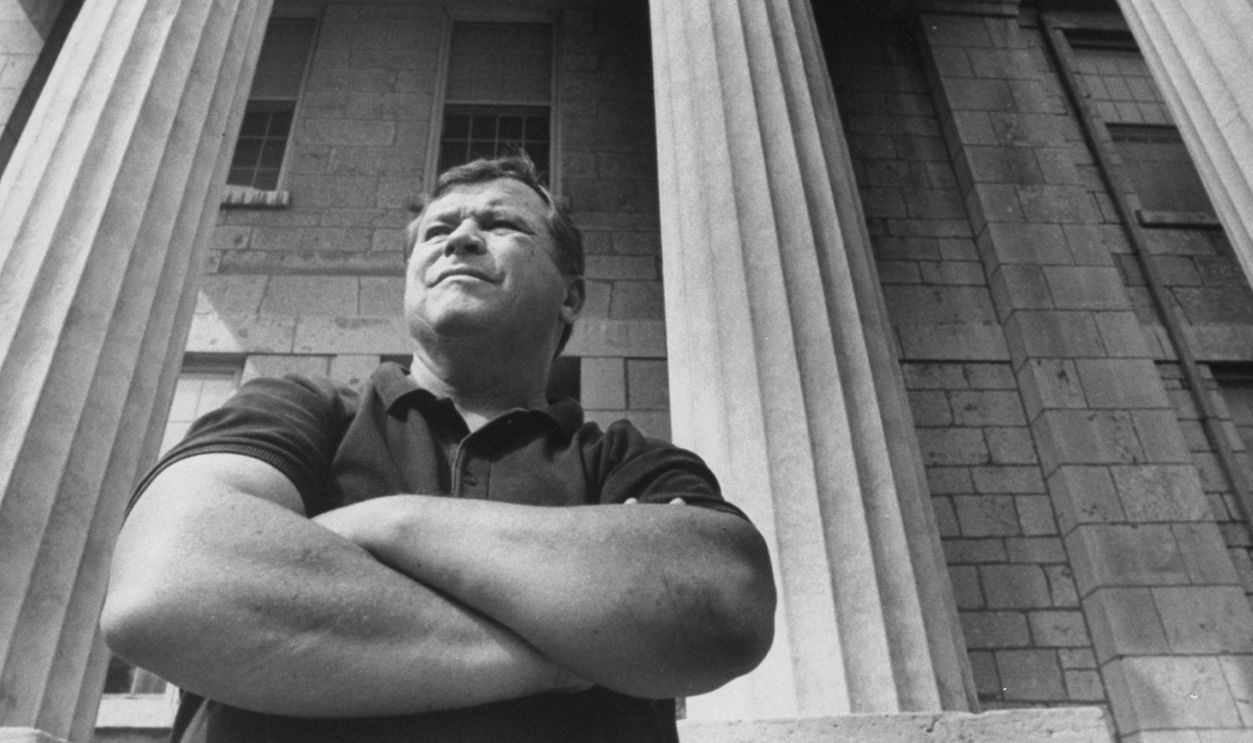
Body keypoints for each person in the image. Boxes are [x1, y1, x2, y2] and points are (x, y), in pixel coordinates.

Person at [102, 155, 776, 742]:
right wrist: (570, 653)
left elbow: (724, 606)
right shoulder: (300, 409)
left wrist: (382, 525)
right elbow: (169, 587)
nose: (460, 237)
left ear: (569, 295)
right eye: (437, 228)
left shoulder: (626, 456)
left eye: (500, 224)